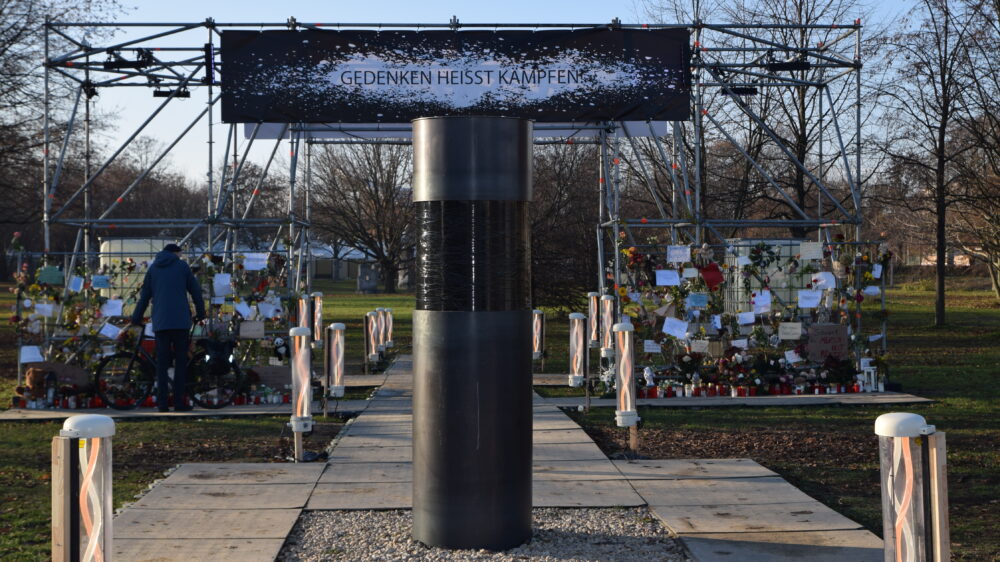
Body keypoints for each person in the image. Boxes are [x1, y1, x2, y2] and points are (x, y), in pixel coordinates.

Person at [130, 243, 206, 412]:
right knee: (180, 363)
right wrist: (201, 312)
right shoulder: (182, 266)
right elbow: (195, 291)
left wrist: (136, 317)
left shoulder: (153, 269)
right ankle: (179, 403)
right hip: (181, 322)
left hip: (161, 323)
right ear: (176, 253)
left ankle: (162, 404)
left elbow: (144, 297)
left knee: (162, 365)